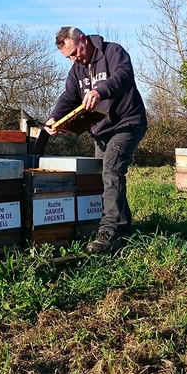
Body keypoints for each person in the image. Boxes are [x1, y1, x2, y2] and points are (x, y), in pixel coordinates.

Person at [45, 26, 148, 254]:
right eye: (69, 57)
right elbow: (69, 96)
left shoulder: (113, 52)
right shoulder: (76, 70)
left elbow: (123, 76)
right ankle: (123, 226)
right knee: (104, 177)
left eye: (75, 53)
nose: (74, 59)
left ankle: (109, 233)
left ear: (82, 39)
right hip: (102, 131)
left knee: (111, 170)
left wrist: (100, 91)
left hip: (127, 123)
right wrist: (54, 117)